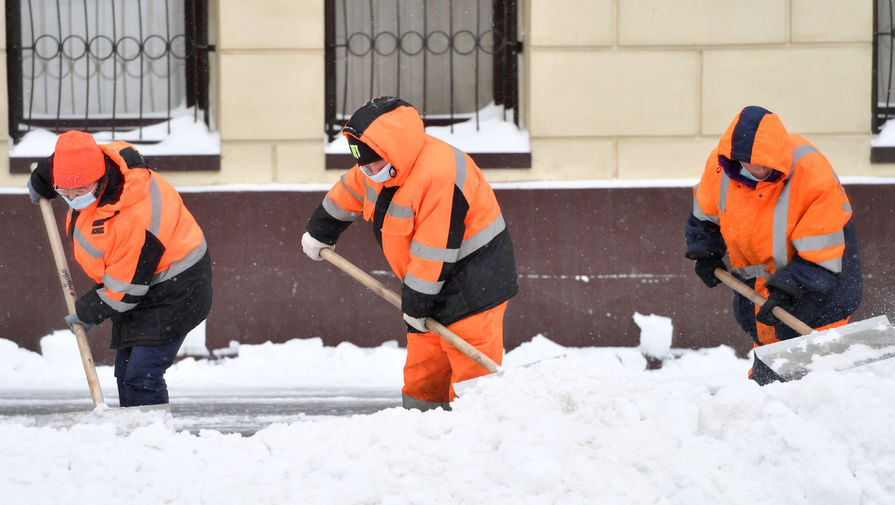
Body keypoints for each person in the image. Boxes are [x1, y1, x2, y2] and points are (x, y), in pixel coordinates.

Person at [301, 96, 518, 411]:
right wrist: (321, 229)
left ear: (394, 151)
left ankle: (479, 435)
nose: (369, 171)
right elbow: (350, 190)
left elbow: (434, 249)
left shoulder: (440, 175)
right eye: (364, 163)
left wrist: (417, 302)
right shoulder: (379, 165)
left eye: (375, 164)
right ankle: (419, 432)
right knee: (424, 371)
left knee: (473, 378)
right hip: (427, 285)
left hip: (475, 285)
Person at [27, 130, 212, 407]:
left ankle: (153, 441)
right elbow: (62, 161)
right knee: (125, 373)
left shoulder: (134, 217)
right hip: (140, 280)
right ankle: (132, 439)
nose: (72, 197)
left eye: (80, 190)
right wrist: (43, 178)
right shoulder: (95, 162)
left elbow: (124, 291)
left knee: (142, 375)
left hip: (177, 289)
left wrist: (88, 311)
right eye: (64, 191)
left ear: (100, 178)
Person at [685, 105, 862, 384]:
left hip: (817, 302)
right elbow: (704, 215)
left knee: (819, 388)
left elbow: (823, 256)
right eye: (747, 162)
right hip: (760, 298)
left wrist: (790, 289)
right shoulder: (721, 167)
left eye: (763, 164)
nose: (755, 169)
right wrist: (705, 249)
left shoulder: (812, 174)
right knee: (768, 390)